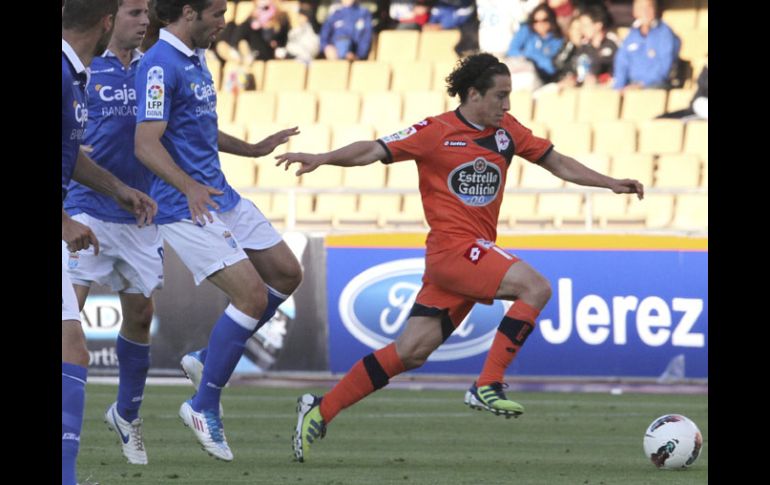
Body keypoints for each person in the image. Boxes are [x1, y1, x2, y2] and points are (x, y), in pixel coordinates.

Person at [276, 53, 644, 462]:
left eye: (509, 97)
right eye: (500, 96)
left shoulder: (507, 132)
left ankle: (320, 409)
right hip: (453, 250)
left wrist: (609, 183)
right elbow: (372, 150)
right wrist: (325, 158)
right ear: (473, 94)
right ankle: (487, 384)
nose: (507, 106)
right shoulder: (435, 131)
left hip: (468, 258)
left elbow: (555, 161)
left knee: (411, 351)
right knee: (535, 288)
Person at [134, 0, 302, 462]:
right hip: (183, 206)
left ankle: (208, 361)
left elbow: (199, 128)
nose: (224, 23)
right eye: (217, 14)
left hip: (220, 196)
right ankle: (203, 404)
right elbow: (146, 144)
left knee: (287, 274)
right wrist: (187, 186)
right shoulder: (157, 66)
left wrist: (252, 147)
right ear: (188, 13)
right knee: (249, 296)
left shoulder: (196, 58)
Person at [62, 1, 157, 483]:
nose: (144, 20)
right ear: (107, 19)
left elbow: (174, 129)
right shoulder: (74, 68)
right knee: (67, 335)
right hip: (80, 213)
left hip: (132, 212)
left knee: (135, 318)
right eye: (136, 11)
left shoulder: (151, 69)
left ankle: (124, 416)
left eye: (148, 13)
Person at [612, 0, 680, 90]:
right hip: (631, 86)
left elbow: (664, 68)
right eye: (641, 8)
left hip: (655, 86)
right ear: (635, 11)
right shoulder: (631, 35)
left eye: (649, 7)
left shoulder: (665, 34)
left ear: (655, 9)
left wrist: (642, 85)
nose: (645, 12)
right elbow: (622, 62)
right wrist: (619, 87)